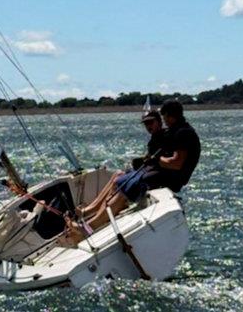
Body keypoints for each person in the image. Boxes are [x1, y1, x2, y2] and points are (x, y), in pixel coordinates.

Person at [64, 101, 201, 243]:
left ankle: (88, 228)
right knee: (120, 180)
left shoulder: (183, 133)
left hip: (173, 178)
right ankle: (92, 217)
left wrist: (155, 160)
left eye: (164, 115)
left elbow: (177, 164)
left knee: (126, 187)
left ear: (170, 116)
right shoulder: (177, 130)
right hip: (164, 172)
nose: (164, 119)